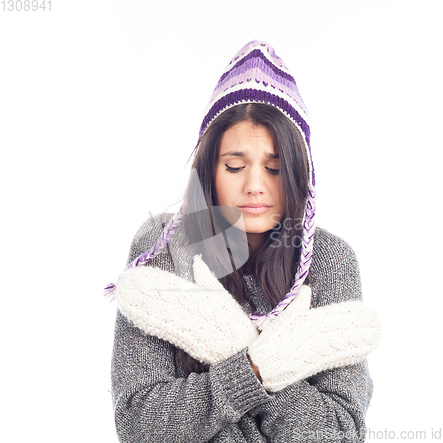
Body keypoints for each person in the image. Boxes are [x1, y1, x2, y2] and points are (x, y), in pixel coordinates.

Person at [106, 41, 381, 443]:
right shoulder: (163, 248)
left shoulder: (330, 260)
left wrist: (229, 350)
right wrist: (261, 366)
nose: (255, 186)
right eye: (235, 166)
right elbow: (140, 424)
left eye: (273, 169)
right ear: (209, 171)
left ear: (299, 174)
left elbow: (339, 433)